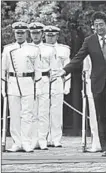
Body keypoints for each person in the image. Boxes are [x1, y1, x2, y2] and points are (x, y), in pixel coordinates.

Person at [51, 11, 106, 157]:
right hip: (98, 82)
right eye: (96, 25)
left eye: (101, 25)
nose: (99, 28)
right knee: (101, 116)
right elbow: (78, 57)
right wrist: (64, 70)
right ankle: (105, 147)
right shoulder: (90, 40)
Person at [1, 22, 41, 152]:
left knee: (27, 114)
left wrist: (37, 87)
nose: (19, 35)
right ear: (14, 33)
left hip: (28, 82)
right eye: (17, 33)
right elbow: (3, 70)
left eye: (22, 33)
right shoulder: (8, 49)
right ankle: (16, 142)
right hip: (13, 82)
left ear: (26, 34)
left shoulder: (33, 49)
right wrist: (3, 88)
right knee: (14, 114)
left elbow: (38, 70)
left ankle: (26, 142)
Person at [29, 22, 56, 150]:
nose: (35, 36)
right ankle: (33, 140)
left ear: (42, 34)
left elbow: (54, 68)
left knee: (44, 112)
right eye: (33, 33)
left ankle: (42, 139)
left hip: (44, 80)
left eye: (38, 33)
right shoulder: (27, 49)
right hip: (30, 81)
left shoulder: (49, 49)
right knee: (32, 112)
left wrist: (50, 82)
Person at [44, 25, 71, 147]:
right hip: (43, 80)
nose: (50, 38)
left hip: (58, 80)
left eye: (52, 35)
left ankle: (56, 138)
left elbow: (67, 67)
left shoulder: (64, 49)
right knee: (42, 111)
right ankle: (43, 137)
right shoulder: (39, 48)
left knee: (56, 111)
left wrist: (67, 86)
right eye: (48, 35)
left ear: (57, 36)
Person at [82, 55, 102, 152]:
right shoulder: (89, 44)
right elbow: (86, 71)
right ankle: (96, 143)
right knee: (94, 115)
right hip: (92, 82)